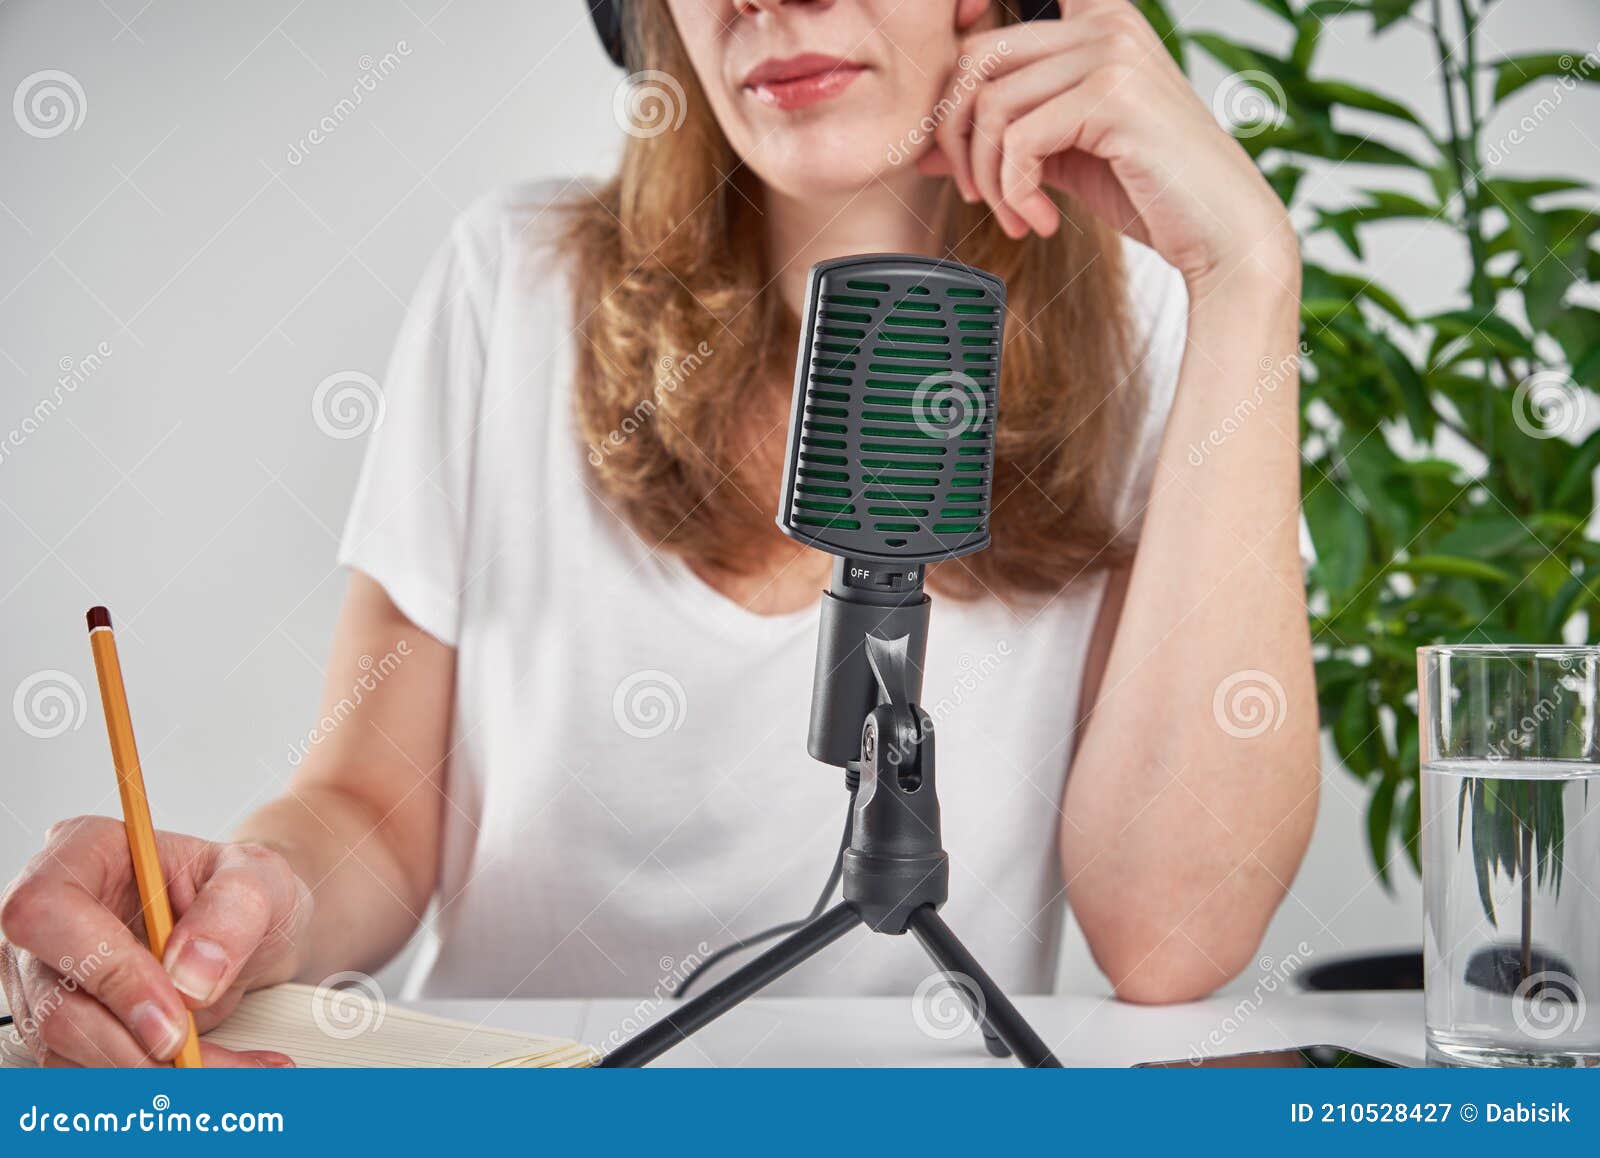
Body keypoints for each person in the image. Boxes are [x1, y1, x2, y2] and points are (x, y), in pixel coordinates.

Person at [0, 0, 1317, 1068]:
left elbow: (1172, 938)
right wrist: (257, 893)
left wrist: (1247, 278)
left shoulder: (1157, 334)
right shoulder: (508, 283)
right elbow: (372, 806)